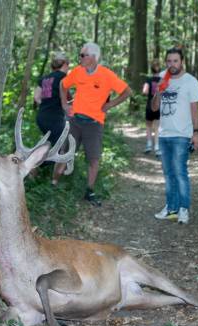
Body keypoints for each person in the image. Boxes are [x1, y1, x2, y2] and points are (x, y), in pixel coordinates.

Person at [60, 42, 131, 206]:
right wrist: (65, 104)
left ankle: (89, 191)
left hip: (94, 124)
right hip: (75, 121)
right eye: (80, 55)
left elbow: (127, 91)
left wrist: (110, 104)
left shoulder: (106, 75)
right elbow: (62, 85)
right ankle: (57, 186)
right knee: (65, 153)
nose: (80, 58)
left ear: (93, 57)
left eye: (83, 55)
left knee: (93, 159)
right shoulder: (77, 72)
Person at [152, 47, 198, 224]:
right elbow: (154, 108)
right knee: (168, 173)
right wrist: (159, 90)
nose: (172, 64)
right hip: (164, 134)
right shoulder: (163, 77)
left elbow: (195, 110)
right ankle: (171, 207)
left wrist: (196, 133)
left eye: (175, 61)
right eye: (169, 61)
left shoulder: (190, 82)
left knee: (180, 172)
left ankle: (183, 209)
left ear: (182, 62)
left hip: (182, 135)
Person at [34, 52, 70, 185]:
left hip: (42, 117)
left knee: (49, 145)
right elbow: (66, 101)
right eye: (68, 64)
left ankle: (34, 173)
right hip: (55, 118)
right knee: (63, 148)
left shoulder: (45, 79)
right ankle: (53, 182)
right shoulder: (63, 78)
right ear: (65, 64)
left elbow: (36, 98)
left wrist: (47, 104)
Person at [142, 59, 161, 156]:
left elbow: (144, 91)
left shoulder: (148, 80)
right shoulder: (162, 80)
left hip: (150, 106)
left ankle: (149, 145)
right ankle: (157, 147)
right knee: (157, 128)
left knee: (149, 126)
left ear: (151, 69)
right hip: (159, 107)